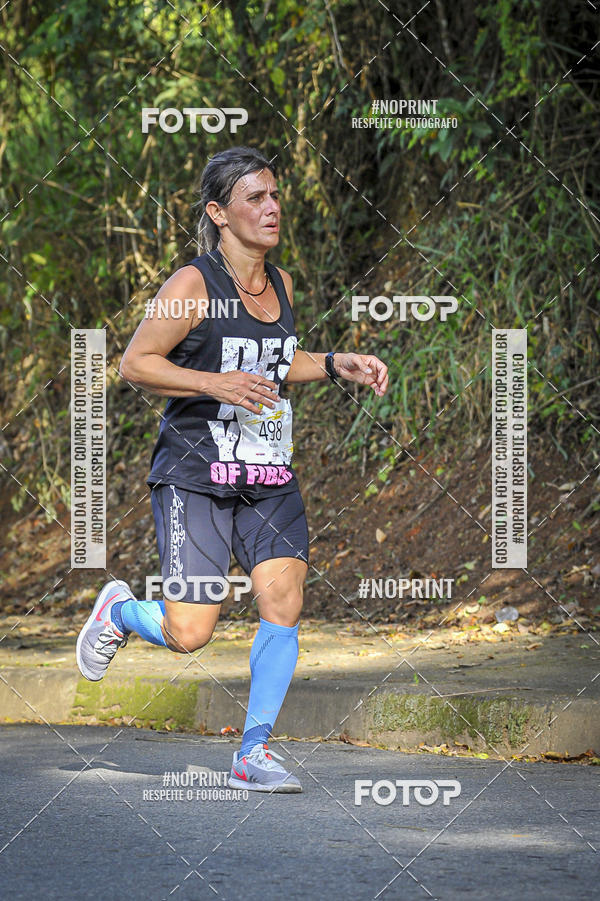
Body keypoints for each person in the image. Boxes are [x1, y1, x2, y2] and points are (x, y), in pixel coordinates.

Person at [76, 145, 388, 793]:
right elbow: (136, 363)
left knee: (283, 595)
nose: (272, 207)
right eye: (255, 198)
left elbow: (275, 358)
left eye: (275, 196)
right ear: (219, 212)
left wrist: (334, 364)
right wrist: (211, 383)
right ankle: (120, 613)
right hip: (195, 472)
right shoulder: (192, 284)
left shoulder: (282, 284)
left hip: (267, 472)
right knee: (190, 630)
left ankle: (254, 750)